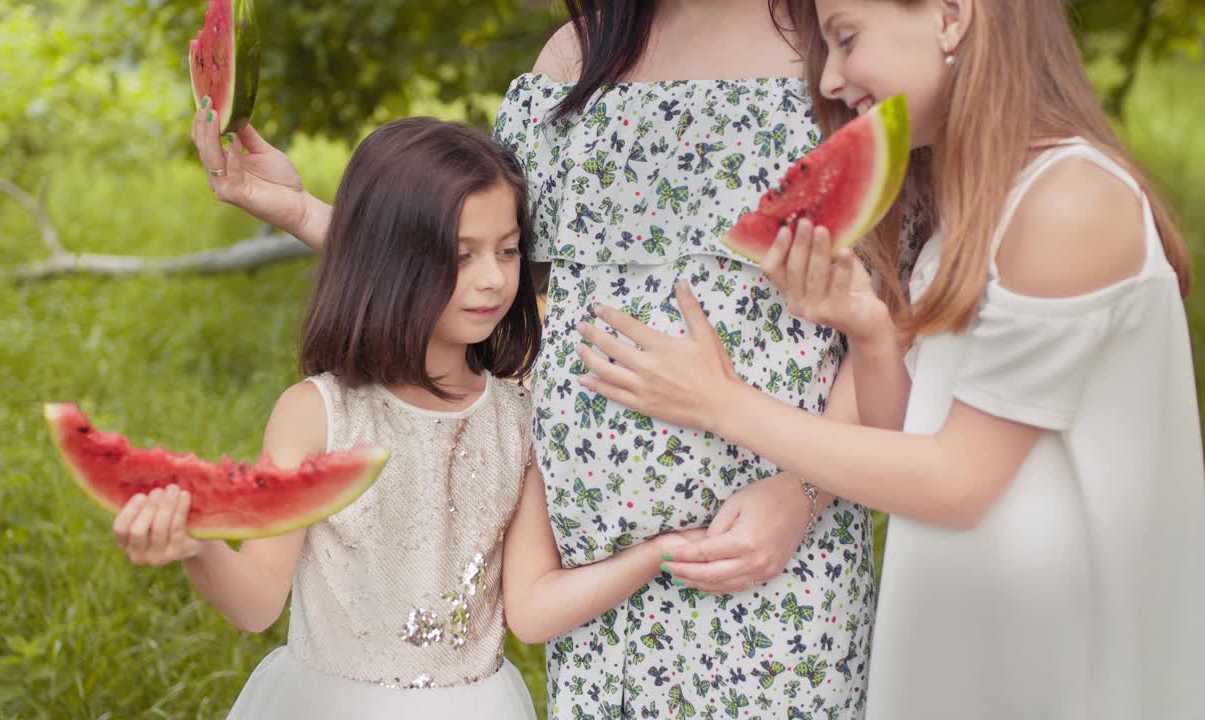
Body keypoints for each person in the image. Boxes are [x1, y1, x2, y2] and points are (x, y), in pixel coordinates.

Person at [189, 4, 886, 717]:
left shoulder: (838, 46)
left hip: (774, 564)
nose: (495, 268)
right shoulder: (574, 59)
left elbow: (892, 314)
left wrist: (802, 494)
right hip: (593, 595)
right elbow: (444, 257)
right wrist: (306, 211)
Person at [575, 1, 1205, 718]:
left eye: (846, 39)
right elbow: (907, 446)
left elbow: (959, 480)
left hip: (1060, 660)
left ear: (948, 15)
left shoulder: (1071, 202)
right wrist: (870, 333)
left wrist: (719, 401)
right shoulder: (979, 207)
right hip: (971, 635)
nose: (835, 79)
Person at [113, 117, 698, 720]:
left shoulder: (519, 412)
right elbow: (257, 602)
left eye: (508, 249)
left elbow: (530, 609)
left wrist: (659, 552)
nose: (494, 279)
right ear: (392, 260)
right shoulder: (318, 414)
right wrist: (192, 546)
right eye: (459, 254)